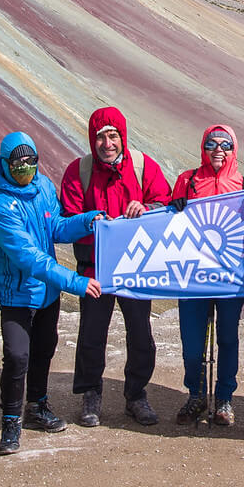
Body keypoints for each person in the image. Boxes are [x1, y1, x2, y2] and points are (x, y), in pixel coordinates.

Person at [0, 132, 104, 455]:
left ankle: (37, 406)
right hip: (18, 294)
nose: (25, 167)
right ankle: (11, 421)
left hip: (47, 294)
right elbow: (28, 258)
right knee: (17, 356)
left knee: (44, 349)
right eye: (18, 162)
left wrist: (89, 221)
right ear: (6, 164)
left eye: (30, 160)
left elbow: (58, 229)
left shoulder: (44, 188)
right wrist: (76, 282)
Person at [60, 106, 172, 427]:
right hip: (95, 269)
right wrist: (89, 220)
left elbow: (164, 203)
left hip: (136, 268)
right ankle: (90, 394)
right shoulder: (78, 172)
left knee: (140, 333)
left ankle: (136, 395)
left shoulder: (142, 167)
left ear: (122, 136)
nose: (107, 143)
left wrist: (146, 206)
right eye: (100, 137)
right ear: (92, 140)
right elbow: (67, 219)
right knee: (92, 333)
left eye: (113, 135)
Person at [169, 124, 244, 428]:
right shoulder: (187, 181)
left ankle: (225, 398)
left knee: (227, 338)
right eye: (212, 144)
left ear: (234, 148)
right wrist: (172, 207)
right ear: (202, 148)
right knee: (192, 343)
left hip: (230, 278)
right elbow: (168, 226)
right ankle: (197, 394)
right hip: (192, 278)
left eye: (226, 144)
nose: (219, 149)